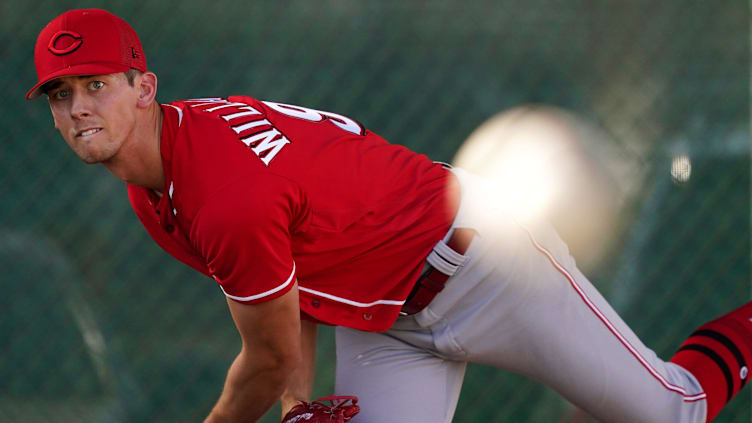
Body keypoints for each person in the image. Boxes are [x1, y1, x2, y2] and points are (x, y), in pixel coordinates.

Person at [27, 8, 752, 423]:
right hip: (385, 320)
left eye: (97, 84)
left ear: (143, 85)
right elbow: (291, 282)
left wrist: (265, 401)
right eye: (61, 94)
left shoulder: (217, 189)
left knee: (672, 411)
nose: (80, 106)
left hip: (487, 263)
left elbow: (269, 352)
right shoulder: (159, 177)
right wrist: (299, 406)